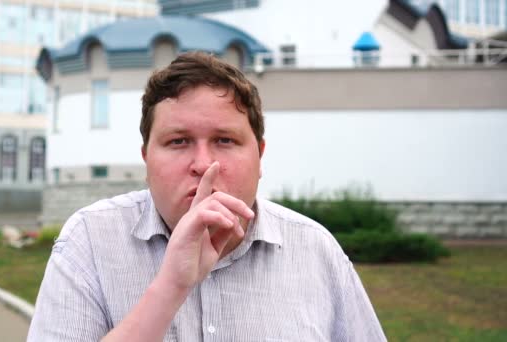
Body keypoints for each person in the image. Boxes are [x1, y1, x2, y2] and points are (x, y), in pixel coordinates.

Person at [28, 52, 386, 341]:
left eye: (225, 141)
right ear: (146, 160)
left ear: (259, 156)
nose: (202, 164)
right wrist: (171, 285)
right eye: (178, 141)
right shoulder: (90, 240)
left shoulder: (316, 252)